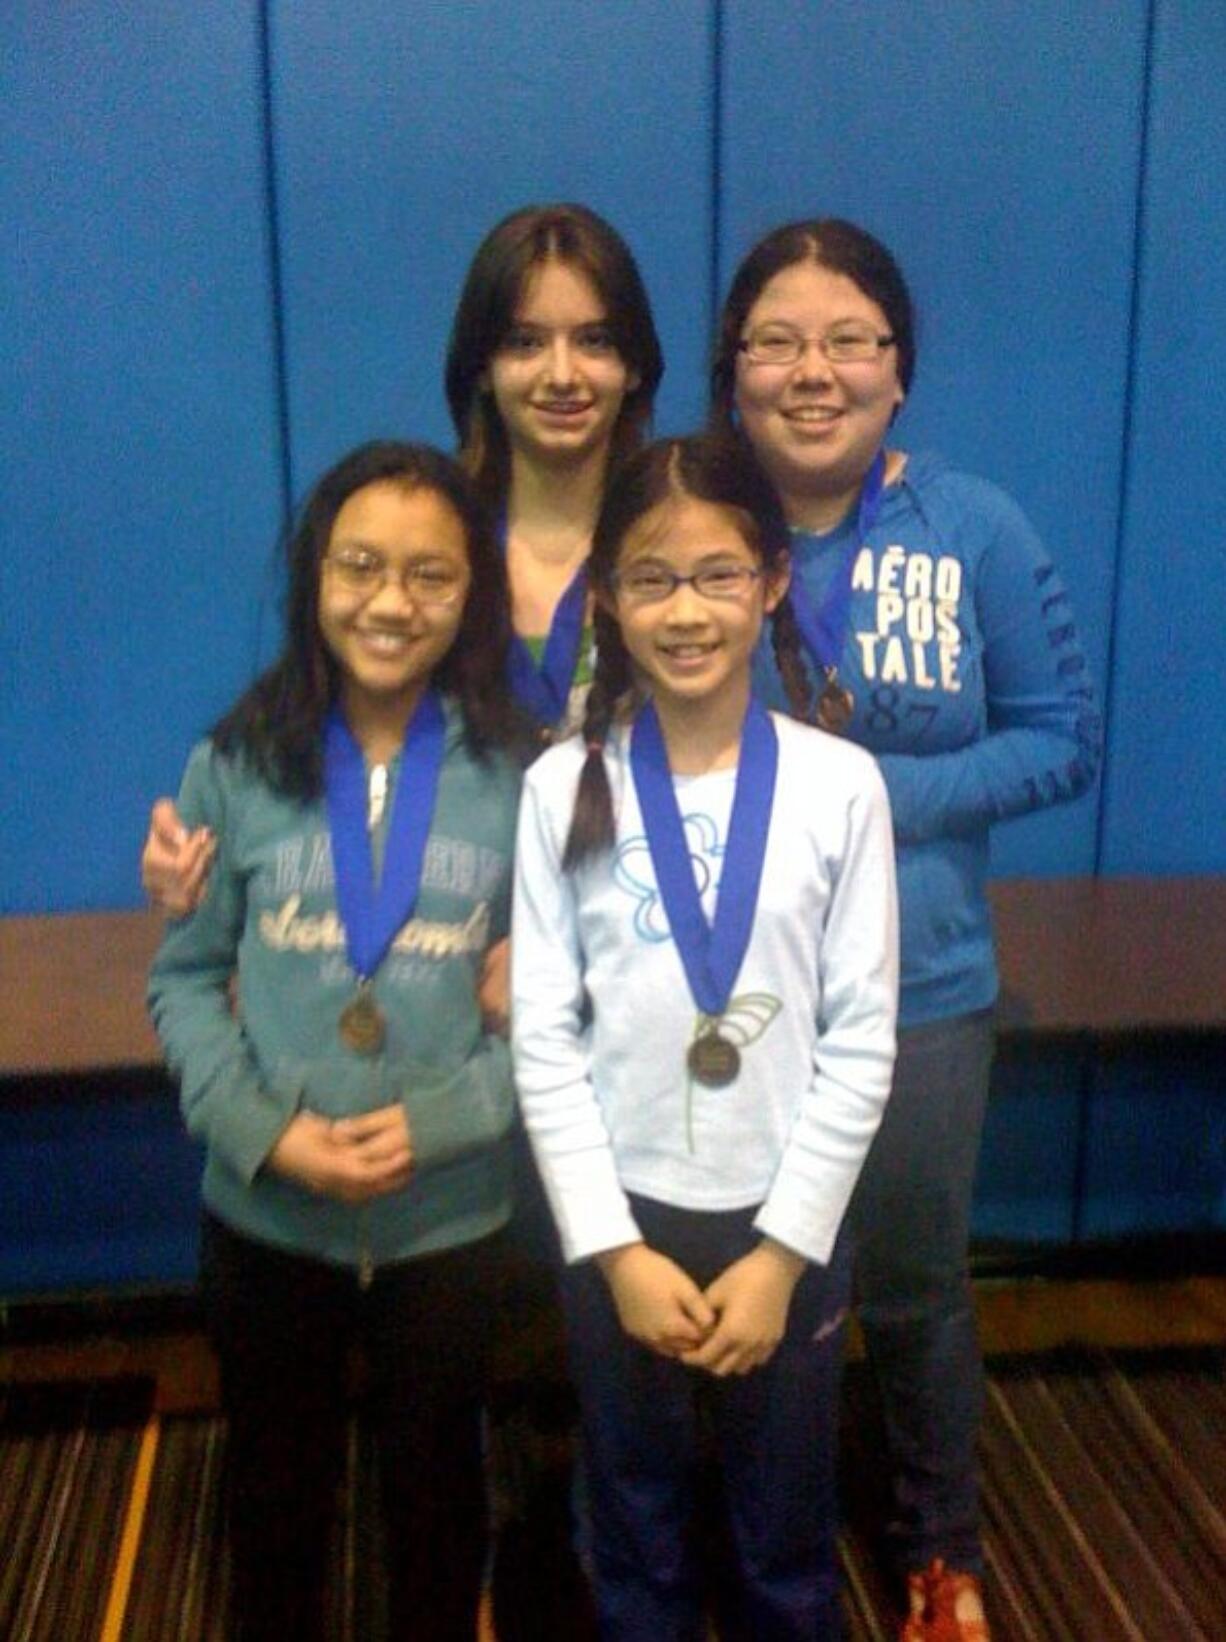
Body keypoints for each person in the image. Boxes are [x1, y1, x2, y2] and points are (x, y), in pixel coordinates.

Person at [710, 218, 1101, 1641]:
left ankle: (938, 1543)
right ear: (732, 368)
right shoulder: (689, 519)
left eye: (848, 339)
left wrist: (877, 790)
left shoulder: (974, 527)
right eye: (776, 340)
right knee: (755, 1280)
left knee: (919, 1284)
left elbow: (1060, 742)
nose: (812, 371)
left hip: (920, 988)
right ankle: (763, 1533)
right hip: (723, 996)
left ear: (896, 370)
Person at [510, 433, 899, 1639]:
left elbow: (860, 1038)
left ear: (772, 582)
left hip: (784, 1221)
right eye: (650, 579)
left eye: (718, 575)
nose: (685, 611)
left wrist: (783, 1255)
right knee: (633, 1515)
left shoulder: (842, 786)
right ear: (608, 599)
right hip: (621, 1218)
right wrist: (613, 1253)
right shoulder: (559, 784)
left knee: (783, 1528)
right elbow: (542, 1040)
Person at [147, 440, 524, 1642]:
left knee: (436, 1494)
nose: (390, 601)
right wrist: (265, 1134)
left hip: (447, 1217)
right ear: (315, 578)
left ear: (471, 596)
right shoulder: (236, 764)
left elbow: (568, 1013)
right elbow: (187, 976)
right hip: (268, 1217)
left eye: (430, 575)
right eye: (359, 565)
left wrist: (449, 1116)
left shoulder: (523, 774)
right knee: (273, 1492)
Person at [142, 203, 663, 912]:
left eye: (595, 340)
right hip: (451, 957)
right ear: (481, 366)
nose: (562, 374)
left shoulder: (678, 549)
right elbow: (307, 718)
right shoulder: (422, 546)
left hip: (640, 932)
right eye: (525, 343)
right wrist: (201, 851)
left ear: (635, 365)